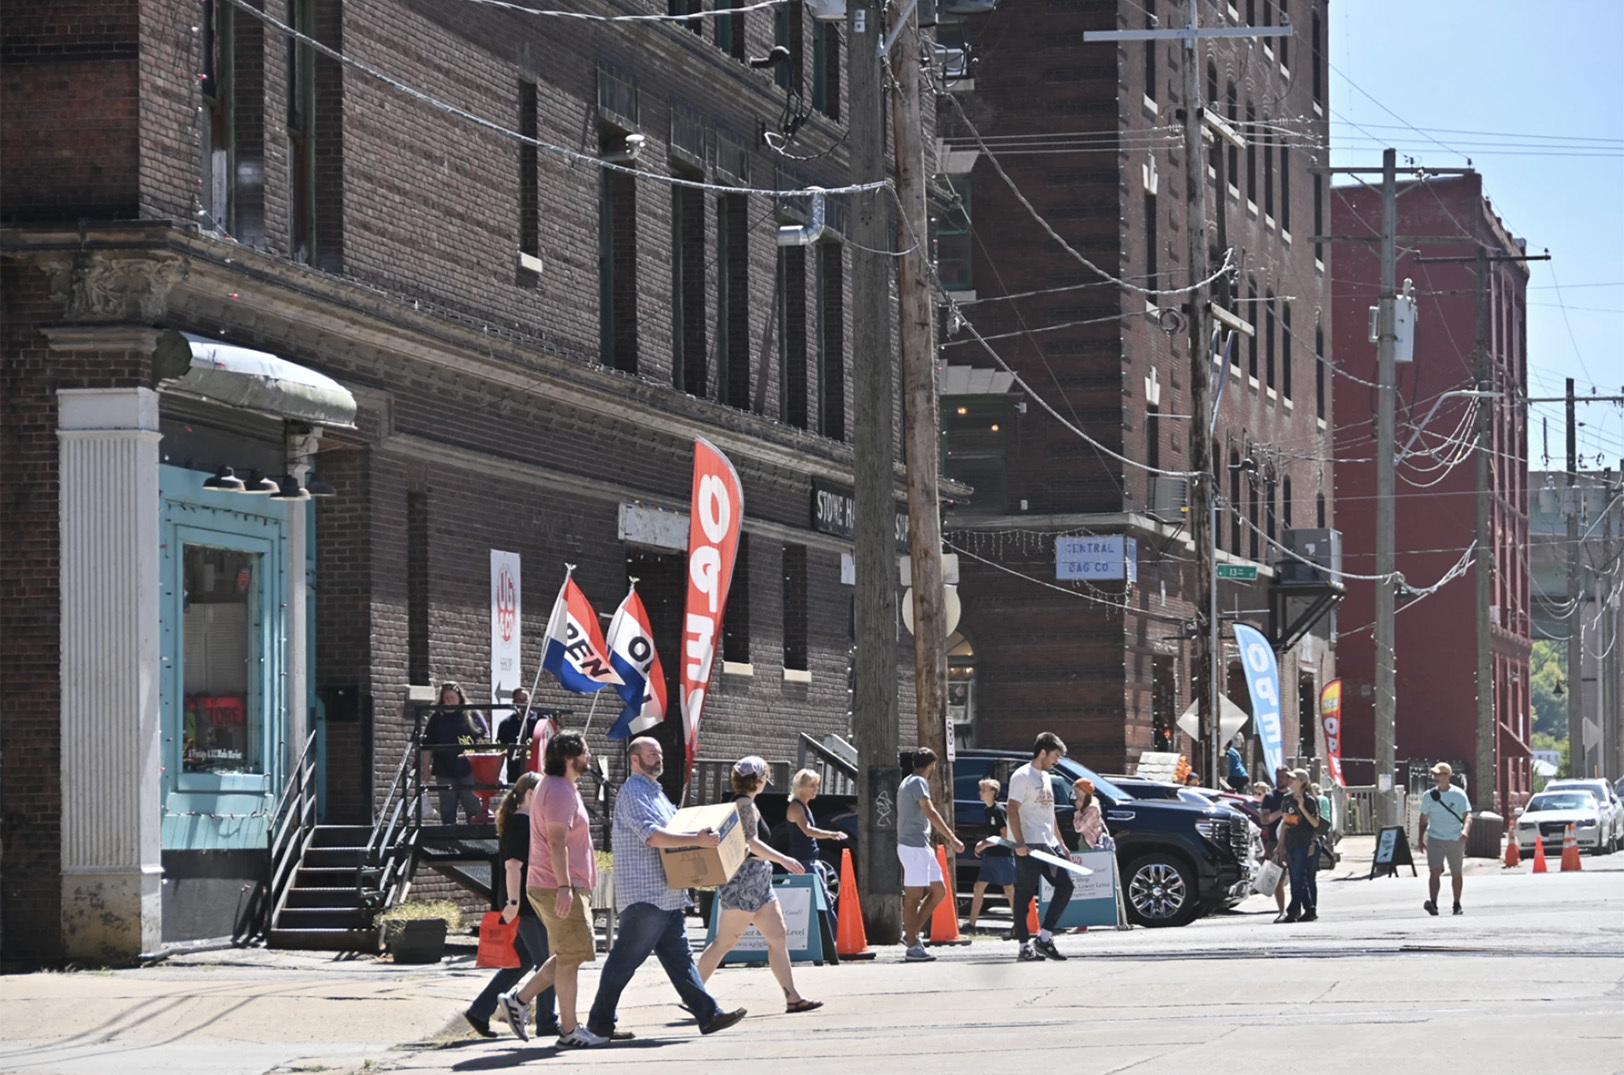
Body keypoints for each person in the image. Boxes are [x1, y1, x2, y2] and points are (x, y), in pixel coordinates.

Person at [585, 736, 747, 1040]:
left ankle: (708, 1015)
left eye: (659, 753)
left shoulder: (656, 793)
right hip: (646, 894)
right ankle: (598, 1022)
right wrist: (695, 840)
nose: (659, 758)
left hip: (669, 893)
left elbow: (675, 832)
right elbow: (653, 837)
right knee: (625, 960)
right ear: (634, 759)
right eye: (651, 753)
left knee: (680, 959)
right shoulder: (633, 792)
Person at [496, 732, 603, 1047]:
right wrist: (565, 886)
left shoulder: (558, 787)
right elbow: (557, 841)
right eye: (585, 751)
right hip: (556, 884)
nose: (589, 756)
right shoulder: (558, 790)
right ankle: (569, 1032)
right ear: (571, 758)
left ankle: (518, 1000)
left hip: (553, 883)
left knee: (567, 954)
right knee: (570, 959)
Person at [696, 757, 822, 1014]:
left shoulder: (747, 803)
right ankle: (693, 994)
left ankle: (793, 997)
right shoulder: (743, 804)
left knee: (778, 935)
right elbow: (751, 842)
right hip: (744, 883)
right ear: (758, 779)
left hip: (758, 883)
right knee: (724, 942)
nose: (767, 780)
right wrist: (784, 859)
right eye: (765, 775)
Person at [465, 772, 559, 1038]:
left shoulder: (525, 821)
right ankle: (547, 1021)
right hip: (526, 903)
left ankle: (479, 1012)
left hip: (526, 901)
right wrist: (514, 902)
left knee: (521, 962)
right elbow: (513, 865)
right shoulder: (521, 823)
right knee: (548, 963)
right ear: (531, 794)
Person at [1008, 732, 1073, 962]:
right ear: (1042, 752)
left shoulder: (1045, 777)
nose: (1057, 761)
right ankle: (1024, 946)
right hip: (1029, 845)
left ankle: (1044, 938)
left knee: (1066, 886)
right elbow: (1012, 809)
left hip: (1048, 844)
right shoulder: (1022, 776)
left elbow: (1049, 813)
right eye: (1055, 756)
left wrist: (1062, 844)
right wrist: (1019, 843)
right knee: (1024, 896)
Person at [896, 748, 964, 962]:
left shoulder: (909, 781)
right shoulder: (917, 782)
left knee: (939, 890)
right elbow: (930, 811)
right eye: (933, 765)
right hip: (913, 847)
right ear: (931, 766)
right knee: (913, 898)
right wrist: (952, 838)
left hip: (921, 846)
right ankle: (913, 947)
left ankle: (911, 934)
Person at [422, 681, 489, 823]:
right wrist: (425, 768)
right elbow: (427, 745)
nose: (449, 701)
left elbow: (484, 739)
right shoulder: (437, 718)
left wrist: (484, 767)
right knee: (447, 807)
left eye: (452, 697)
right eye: (446, 698)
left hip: (469, 768)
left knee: (472, 804)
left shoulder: (471, 714)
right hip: (444, 767)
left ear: (459, 697)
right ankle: (448, 837)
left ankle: (474, 837)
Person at [1418, 761, 1473, 916]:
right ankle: (1433, 903)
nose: (1436, 777)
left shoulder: (1459, 794)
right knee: (1434, 871)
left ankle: (1456, 904)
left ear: (1447, 776)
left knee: (1456, 872)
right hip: (1435, 837)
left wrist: (1465, 831)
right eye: (1434, 774)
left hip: (1455, 838)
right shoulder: (1429, 796)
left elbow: (1467, 815)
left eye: (1439, 774)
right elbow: (1423, 819)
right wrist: (1420, 839)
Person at [966, 778, 1015, 932]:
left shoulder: (998, 810)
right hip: (991, 856)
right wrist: (985, 844)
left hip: (1003, 855)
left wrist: (985, 843)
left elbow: (1005, 836)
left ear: (993, 792)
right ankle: (971, 925)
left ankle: (1019, 924)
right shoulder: (987, 810)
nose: (980, 793)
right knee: (978, 887)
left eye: (984, 790)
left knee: (1009, 890)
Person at [785, 768, 848, 877]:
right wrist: (831, 834)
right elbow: (808, 830)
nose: (816, 788)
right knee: (820, 894)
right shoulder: (796, 807)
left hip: (810, 861)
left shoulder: (804, 805)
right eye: (812, 785)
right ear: (801, 786)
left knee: (822, 890)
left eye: (816, 785)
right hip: (802, 863)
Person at [1277, 768, 1321, 923]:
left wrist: (1302, 807)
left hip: (1304, 842)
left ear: (1302, 781)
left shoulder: (1309, 800)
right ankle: (1308, 909)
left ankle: (1295, 910)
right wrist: (1280, 845)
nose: (1289, 781)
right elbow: (1286, 823)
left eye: (1293, 779)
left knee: (1299, 877)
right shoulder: (1287, 799)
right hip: (1291, 842)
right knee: (1296, 877)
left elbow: (1316, 823)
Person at [495, 688, 550, 784]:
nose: (522, 703)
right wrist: (496, 776)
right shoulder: (506, 724)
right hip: (514, 772)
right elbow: (500, 752)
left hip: (538, 771)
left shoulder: (540, 720)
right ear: (513, 703)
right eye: (519, 700)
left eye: (525, 700)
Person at [1258, 766, 1290, 922]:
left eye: (1283, 776)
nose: (1280, 779)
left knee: (1299, 876)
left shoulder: (1293, 796)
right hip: (1274, 842)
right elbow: (1264, 819)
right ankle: (1282, 911)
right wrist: (1281, 812)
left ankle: (1299, 908)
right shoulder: (1270, 797)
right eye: (1278, 776)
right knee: (1278, 878)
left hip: (1293, 841)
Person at [1072, 777, 1110, 851]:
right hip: (1085, 840)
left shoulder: (1092, 808)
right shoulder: (1086, 805)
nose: (1075, 794)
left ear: (1082, 792)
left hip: (1091, 844)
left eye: (1076, 791)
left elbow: (1079, 827)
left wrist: (1078, 811)